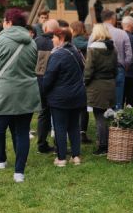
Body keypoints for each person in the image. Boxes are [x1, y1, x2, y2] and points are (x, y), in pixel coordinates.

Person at [0, 8, 41, 182]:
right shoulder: (32, 43)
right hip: (27, 92)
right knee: (22, 132)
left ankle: (0, 160)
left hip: (3, 93)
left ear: (8, 22)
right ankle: (19, 173)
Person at [43, 29, 86, 167]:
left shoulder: (58, 55)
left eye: (54, 37)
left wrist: (43, 90)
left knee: (60, 127)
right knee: (74, 126)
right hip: (77, 95)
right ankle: (76, 156)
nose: (52, 40)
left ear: (61, 38)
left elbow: (49, 77)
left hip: (60, 97)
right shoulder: (76, 51)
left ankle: (61, 158)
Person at [89, 10, 132, 110]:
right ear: (113, 19)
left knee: (101, 103)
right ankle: (116, 124)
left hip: (99, 71)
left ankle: (103, 123)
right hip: (118, 69)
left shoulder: (94, 35)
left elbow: (89, 54)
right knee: (117, 103)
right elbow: (129, 57)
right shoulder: (122, 34)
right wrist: (124, 67)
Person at [85, 24, 118, 155]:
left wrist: (85, 82)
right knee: (107, 115)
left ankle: (103, 146)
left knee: (99, 116)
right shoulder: (113, 48)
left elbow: (88, 70)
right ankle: (110, 143)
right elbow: (116, 68)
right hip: (110, 84)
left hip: (97, 86)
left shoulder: (93, 49)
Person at [35, 19, 60, 154]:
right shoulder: (57, 42)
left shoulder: (36, 41)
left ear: (45, 29)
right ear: (57, 30)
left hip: (39, 82)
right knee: (57, 113)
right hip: (55, 82)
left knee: (43, 113)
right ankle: (58, 144)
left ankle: (42, 144)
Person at [70, 21, 92, 143]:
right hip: (86, 73)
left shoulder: (76, 40)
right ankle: (82, 131)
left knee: (79, 105)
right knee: (83, 105)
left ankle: (78, 130)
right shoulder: (86, 39)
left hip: (79, 74)